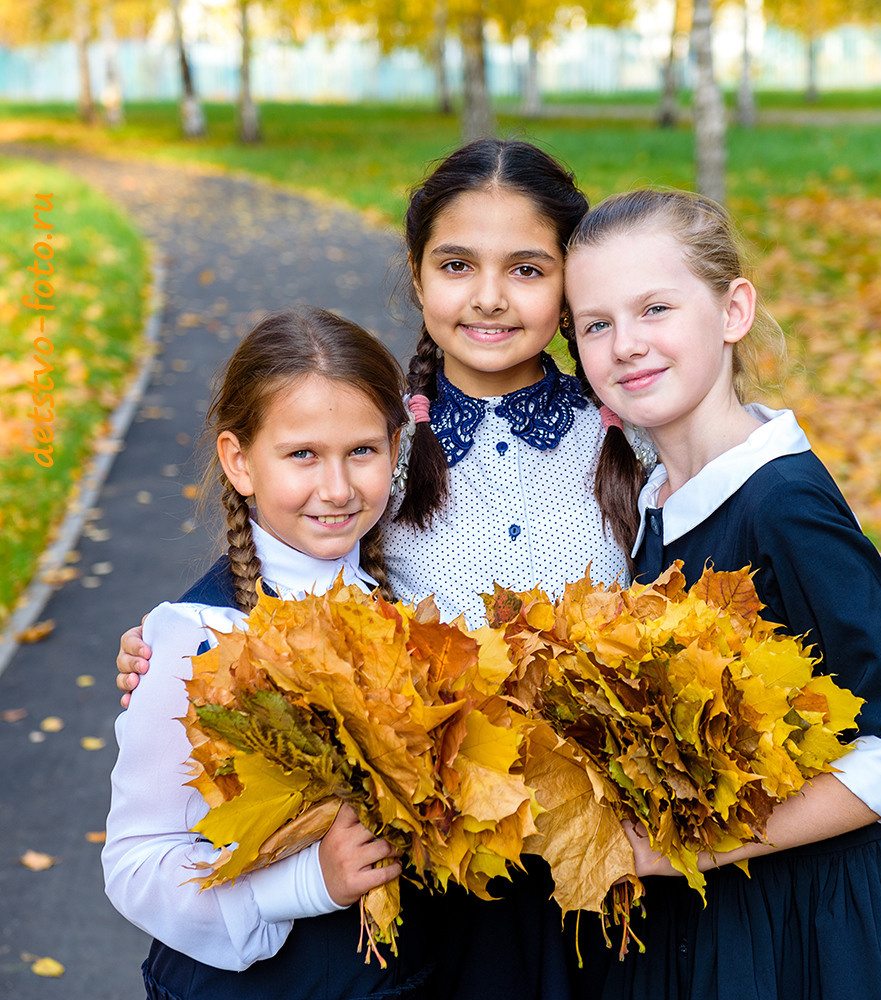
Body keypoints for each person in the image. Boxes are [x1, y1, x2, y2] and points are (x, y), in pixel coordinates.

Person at [114, 139, 658, 1000]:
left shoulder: (631, 435)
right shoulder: (382, 443)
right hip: (432, 880)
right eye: (455, 265)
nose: (487, 296)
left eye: (525, 269)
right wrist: (165, 644)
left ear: (568, 283)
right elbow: (286, 550)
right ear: (416, 274)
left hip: (600, 860)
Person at [562, 188, 881, 1000]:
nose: (626, 346)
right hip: (732, 926)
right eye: (595, 324)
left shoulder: (782, 504)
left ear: (733, 311)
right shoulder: (654, 507)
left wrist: (693, 846)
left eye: (655, 308)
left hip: (833, 933)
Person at [102, 307, 434, 1000]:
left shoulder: (406, 612)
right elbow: (136, 863)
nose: (338, 488)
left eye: (362, 451)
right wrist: (307, 883)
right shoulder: (195, 638)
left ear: (396, 450)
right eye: (302, 455)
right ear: (239, 462)